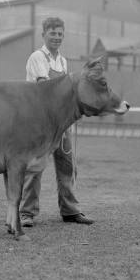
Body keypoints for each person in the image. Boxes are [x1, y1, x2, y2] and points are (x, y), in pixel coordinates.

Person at [21, 17, 94, 227]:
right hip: (40, 123)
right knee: (35, 168)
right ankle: (26, 213)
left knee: (67, 167)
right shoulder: (37, 57)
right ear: (43, 34)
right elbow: (46, 87)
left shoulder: (62, 61)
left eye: (60, 34)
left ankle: (70, 211)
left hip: (61, 123)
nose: (57, 37)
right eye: (53, 33)